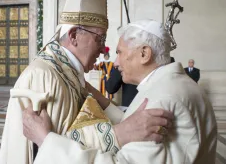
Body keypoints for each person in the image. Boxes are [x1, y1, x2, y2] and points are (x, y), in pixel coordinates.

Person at [0, 0, 175, 164]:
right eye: (100, 39)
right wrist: (119, 133)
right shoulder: (44, 75)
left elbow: (62, 143)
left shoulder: (69, 72)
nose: (102, 49)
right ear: (74, 35)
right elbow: (48, 149)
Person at [22, 19, 217, 164]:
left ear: (144, 54)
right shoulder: (177, 85)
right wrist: (98, 98)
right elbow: (134, 122)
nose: (115, 62)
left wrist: (46, 141)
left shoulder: (162, 99)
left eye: (119, 52)